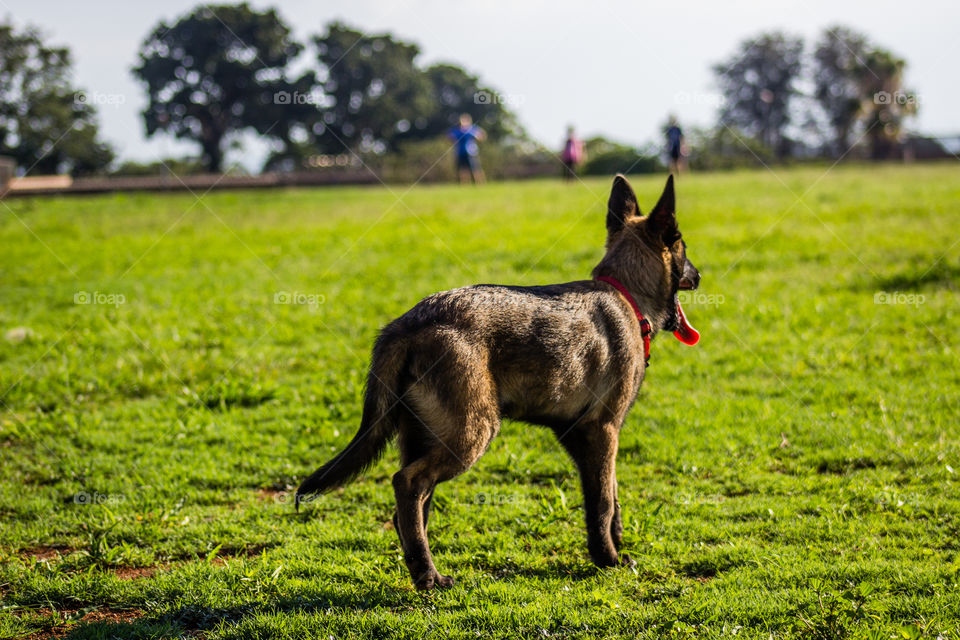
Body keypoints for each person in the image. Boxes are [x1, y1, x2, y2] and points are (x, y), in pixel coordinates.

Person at [448, 113, 486, 184]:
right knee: (463, 169)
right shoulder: (458, 130)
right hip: (460, 152)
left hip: (471, 152)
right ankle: (465, 185)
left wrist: (476, 136)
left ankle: (481, 184)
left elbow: (482, 135)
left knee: (476, 169)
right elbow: (450, 137)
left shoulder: (472, 129)